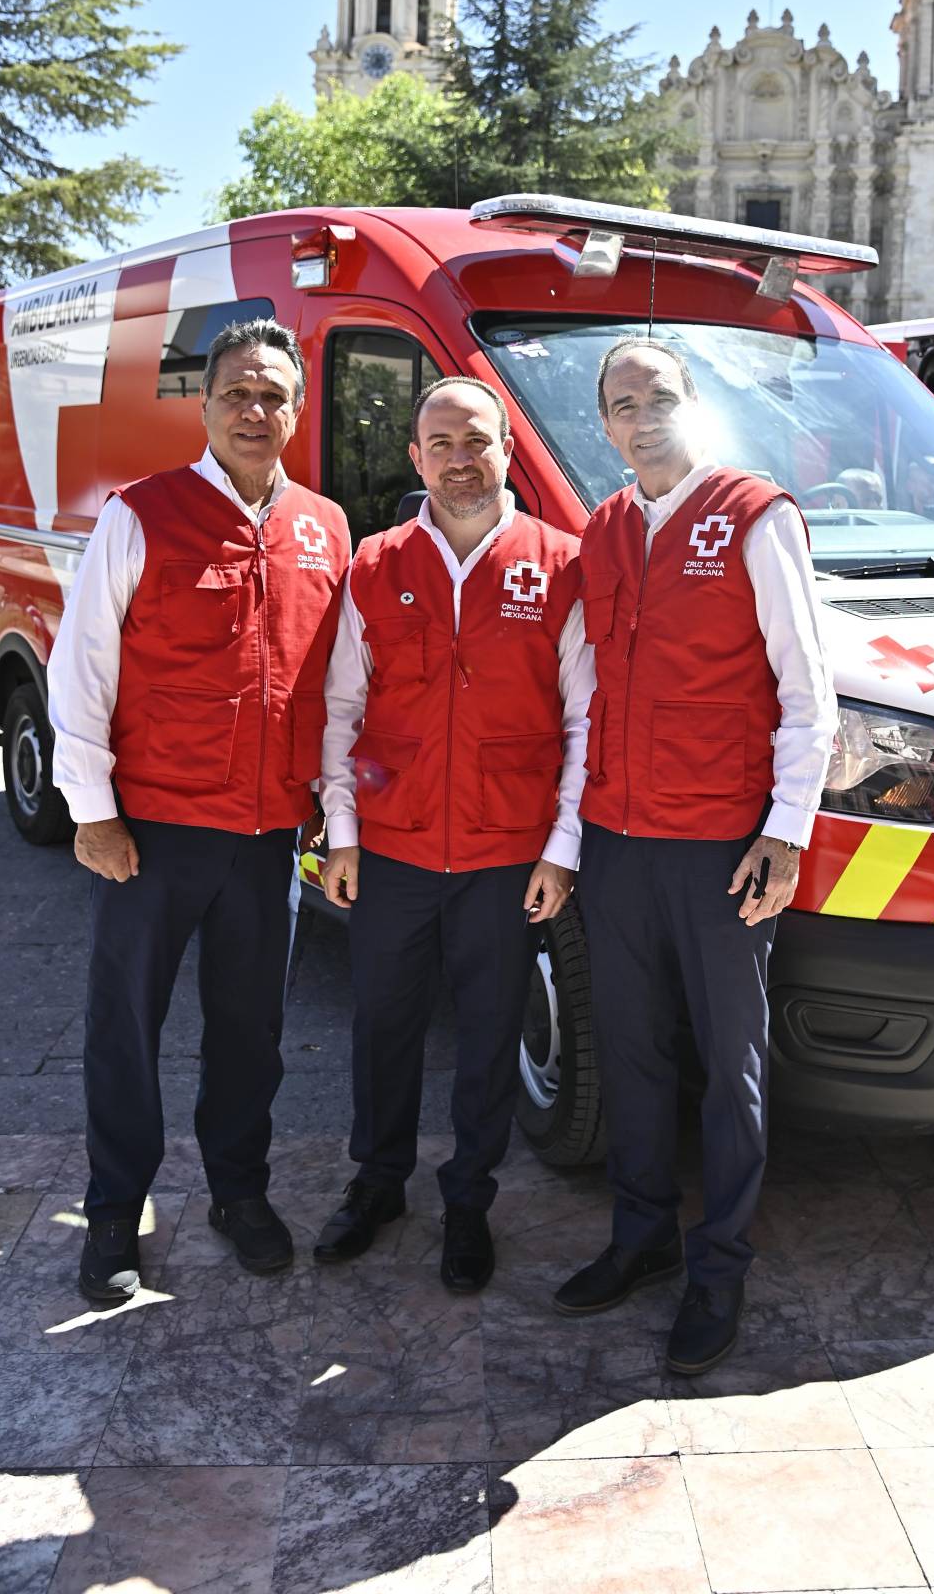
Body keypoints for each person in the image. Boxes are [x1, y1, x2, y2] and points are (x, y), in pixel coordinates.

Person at [49, 317, 350, 1304]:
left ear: (297, 408)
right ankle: (111, 1217)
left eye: (274, 395)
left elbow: (331, 684)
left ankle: (238, 1191)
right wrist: (92, 810)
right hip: (154, 833)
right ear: (205, 404)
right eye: (237, 393)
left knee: (249, 1031)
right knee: (125, 1025)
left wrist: (325, 802)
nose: (255, 410)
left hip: (267, 837)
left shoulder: (323, 525)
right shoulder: (143, 514)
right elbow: (83, 665)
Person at [554, 338, 836, 1375]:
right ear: (606, 425)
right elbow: (584, 693)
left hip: (722, 847)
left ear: (693, 400)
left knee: (730, 1069)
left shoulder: (756, 516)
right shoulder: (603, 527)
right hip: (619, 845)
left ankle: (717, 1267)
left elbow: (807, 692)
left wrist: (785, 830)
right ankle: (640, 1238)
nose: (642, 415)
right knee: (630, 1053)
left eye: (658, 394)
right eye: (621, 402)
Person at [316, 375, 593, 1293]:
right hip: (391, 847)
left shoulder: (562, 565)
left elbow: (585, 720)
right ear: (415, 458)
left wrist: (561, 849)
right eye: (440, 444)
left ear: (507, 449)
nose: (460, 461)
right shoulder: (375, 563)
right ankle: (377, 1183)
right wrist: (342, 833)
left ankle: (468, 1199)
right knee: (382, 1027)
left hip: (506, 855)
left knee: (484, 1037)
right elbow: (342, 708)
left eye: (476, 441)